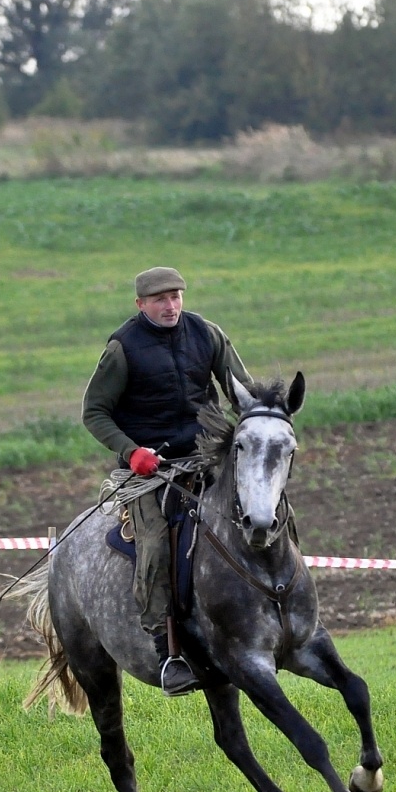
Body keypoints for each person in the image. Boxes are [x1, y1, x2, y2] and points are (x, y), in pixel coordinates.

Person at [82, 266, 253, 695]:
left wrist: (260, 421)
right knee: (156, 542)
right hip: (153, 470)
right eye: (159, 299)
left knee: (261, 512)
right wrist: (131, 451)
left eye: (176, 296)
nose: (170, 305)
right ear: (141, 305)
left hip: (208, 456)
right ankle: (168, 650)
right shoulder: (123, 348)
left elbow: (241, 391)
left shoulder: (207, 334)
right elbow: (94, 412)